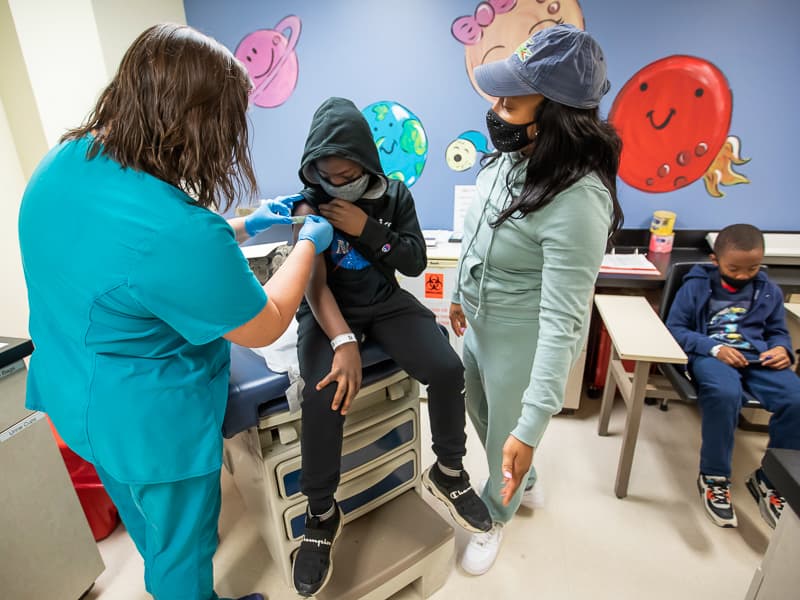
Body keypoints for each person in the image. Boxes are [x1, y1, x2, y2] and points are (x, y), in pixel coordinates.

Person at [17, 24, 332, 600]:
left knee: (151, 527)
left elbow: (130, 263)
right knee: (183, 555)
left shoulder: (65, 161)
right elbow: (265, 321)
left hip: (78, 401)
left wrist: (245, 224)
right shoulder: (176, 230)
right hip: (150, 425)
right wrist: (310, 242)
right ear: (200, 124)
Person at [286, 96, 492, 597]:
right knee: (321, 393)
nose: (337, 183)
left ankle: (448, 471)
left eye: (346, 172)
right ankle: (321, 512)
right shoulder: (307, 204)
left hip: (383, 302)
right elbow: (314, 287)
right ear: (313, 167)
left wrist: (366, 229)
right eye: (326, 174)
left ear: (364, 161)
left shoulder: (394, 195)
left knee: (446, 368)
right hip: (328, 308)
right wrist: (342, 342)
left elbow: (415, 260)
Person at [448, 24, 623, 575]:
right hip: (478, 323)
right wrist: (457, 292)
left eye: (512, 101)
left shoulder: (578, 199)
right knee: (479, 413)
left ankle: (496, 511)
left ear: (556, 114)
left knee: (508, 431)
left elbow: (564, 324)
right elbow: (476, 232)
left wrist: (532, 425)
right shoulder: (511, 160)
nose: (497, 110)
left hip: (520, 338)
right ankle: (527, 478)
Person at [666, 224, 799, 529]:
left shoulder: (768, 290)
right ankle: (714, 476)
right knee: (725, 395)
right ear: (716, 261)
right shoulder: (696, 286)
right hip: (712, 356)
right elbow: (676, 329)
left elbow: (778, 331)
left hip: (758, 358)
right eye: (734, 268)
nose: (743, 275)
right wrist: (713, 349)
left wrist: (782, 348)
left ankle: (771, 479)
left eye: (752, 267)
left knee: (796, 398)